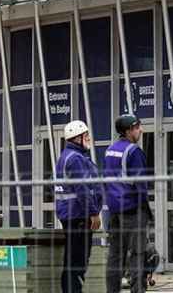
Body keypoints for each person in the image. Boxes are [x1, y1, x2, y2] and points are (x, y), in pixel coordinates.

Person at [104, 114, 151, 293]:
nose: (141, 130)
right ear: (129, 130)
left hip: (115, 212)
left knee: (115, 256)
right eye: (138, 127)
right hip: (132, 210)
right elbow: (141, 184)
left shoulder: (110, 150)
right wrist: (145, 211)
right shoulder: (133, 151)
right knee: (138, 255)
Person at [55, 120, 103, 293]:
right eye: (86, 135)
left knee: (73, 260)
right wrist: (93, 213)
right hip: (78, 216)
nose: (89, 138)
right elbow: (83, 189)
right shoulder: (75, 159)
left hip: (72, 215)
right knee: (77, 261)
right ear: (78, 138)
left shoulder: (68, 156)